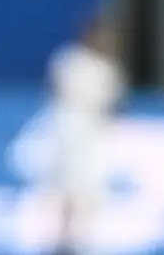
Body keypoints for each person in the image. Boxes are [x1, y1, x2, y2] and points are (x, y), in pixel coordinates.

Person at [47, 17, 124, 255]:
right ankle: (62, 240)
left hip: (96, 137)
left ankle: (81, 240)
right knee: (68, 189)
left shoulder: (108, 68)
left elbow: (113, 104)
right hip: (70, 134)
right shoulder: (70, 61)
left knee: (91, 191)